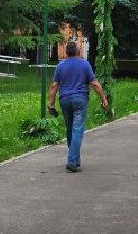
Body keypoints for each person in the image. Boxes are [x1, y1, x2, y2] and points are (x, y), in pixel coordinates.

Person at [46, 41, 110, 172]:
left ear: (67, 52)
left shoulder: (60, 65)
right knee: (77, 130)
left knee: (70, 129)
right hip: (80, 100)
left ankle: (76, 160)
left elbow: (54, 86)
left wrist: (51, 104)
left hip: (64, 100)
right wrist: (103, 98)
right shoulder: (84, 64)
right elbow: (95, 83)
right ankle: (71, 161)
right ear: (77, 51)